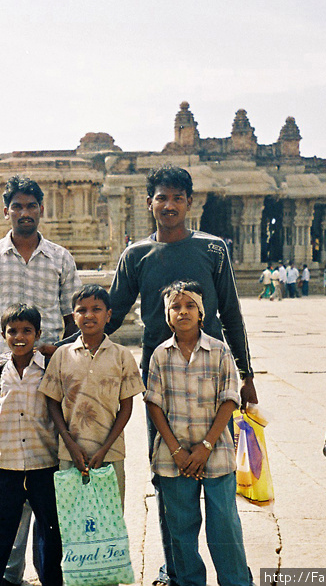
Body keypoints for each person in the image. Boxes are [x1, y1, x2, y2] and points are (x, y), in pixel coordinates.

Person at [106, 165, 256, 586]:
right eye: (161, 198)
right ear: (149, 202)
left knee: (220, 481)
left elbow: (230, 311)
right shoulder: (136, 255)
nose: (168, 205)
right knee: (169, 481)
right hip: (161, 376)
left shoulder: (212, 250)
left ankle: (233, 575)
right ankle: (177, 571)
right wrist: (66, 346)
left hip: (212, 374)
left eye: (177, 198)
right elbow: (113, 312)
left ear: (190, 202)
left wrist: (246, 373)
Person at [0, 174, 80, 584]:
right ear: (6, 209)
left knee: (47, 491)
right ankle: (3, 576)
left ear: (41, 209)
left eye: (31, 206)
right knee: (5, 483)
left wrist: (61, 360)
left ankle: (49, 577)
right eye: (17, 206)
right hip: (3, 382)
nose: (25, 213)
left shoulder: (60, 258)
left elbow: (72, 323)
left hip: (49, 382)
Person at [145, 280, 251, 586]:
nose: (183, 312)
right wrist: (178, 450)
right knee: (180, 527)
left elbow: (229, 399)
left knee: (224, 524)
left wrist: (205, 445)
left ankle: (235, 581)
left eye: (190, 305)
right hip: (172, 456)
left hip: (215, 452)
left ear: (202, 312)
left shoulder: (219, 352)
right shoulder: (160, 356)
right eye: (175, 307)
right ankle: (189, 582)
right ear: (167, 315)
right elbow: (154, 405)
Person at [0, 304, 62, 586]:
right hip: (6, 463)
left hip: (43, 462)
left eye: (27, 331)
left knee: (50, 534)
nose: (19, 336)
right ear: (3, 334)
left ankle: (52, 582)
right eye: (12, 331)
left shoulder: (48, 369)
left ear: (38, 335)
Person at [39, 284, 143, 506]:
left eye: (96, 309)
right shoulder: (61, 355)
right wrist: (70, 444)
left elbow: (126, 407)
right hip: (70, 455)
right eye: (81, 310)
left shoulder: (122, 356)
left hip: (111, 452)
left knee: (109, 517)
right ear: (73, 316)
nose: (89, 315)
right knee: (72, 519)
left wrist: (105, 448)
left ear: (108, 315)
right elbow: (53, 402)